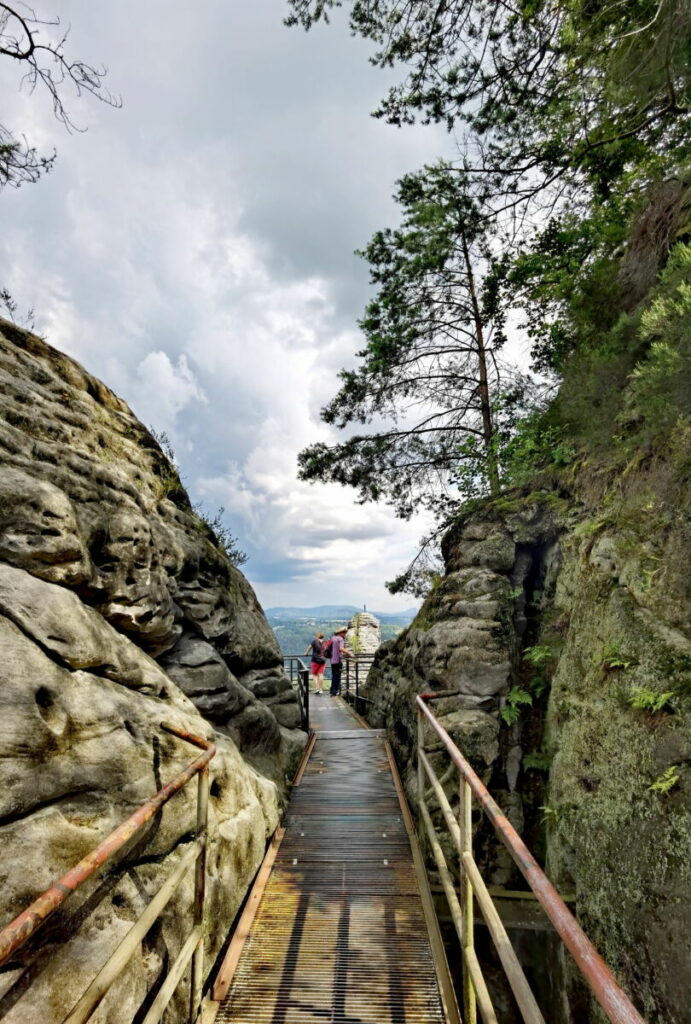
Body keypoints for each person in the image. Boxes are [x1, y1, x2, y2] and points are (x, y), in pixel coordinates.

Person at [328, 626, 352, 697]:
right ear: (341, 633)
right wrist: (349, 653)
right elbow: (341, 648)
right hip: (338, 660)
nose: (345, 635)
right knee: (337, 676)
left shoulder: (332, 638)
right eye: (345, 633)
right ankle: (334, 691)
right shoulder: (340, 639)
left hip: (332, 660)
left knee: (334, 675)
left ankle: (332, 690)